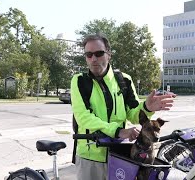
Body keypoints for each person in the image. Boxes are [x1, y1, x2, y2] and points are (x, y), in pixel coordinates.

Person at [70, 33, 174, 180]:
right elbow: (83, 118)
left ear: (108, 55)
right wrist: (118, 131)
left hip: (120, 155)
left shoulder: (124, 80)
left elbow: (134, 113)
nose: (93, 59)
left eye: (99, 53)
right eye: (88, 54)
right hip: (90, 157)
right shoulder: (79, 81)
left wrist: (147, 108)